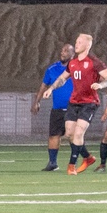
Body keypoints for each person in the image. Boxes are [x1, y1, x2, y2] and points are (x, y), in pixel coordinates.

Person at [42, 33, 107, 175]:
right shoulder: (73, 63)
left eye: (80, 42)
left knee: (79, 133)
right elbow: (62, 78)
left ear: (88, 45)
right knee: (70, 134)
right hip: (74, 102)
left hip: (89, 103)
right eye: (76, 41)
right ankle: (87, 158)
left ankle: (71, 166)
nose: (77, 44)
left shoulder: (94, 62)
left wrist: (101, 85)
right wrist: (50, 89)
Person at [31, 43, 74, 171]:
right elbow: (43, 86)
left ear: (73, 54)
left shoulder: (77, 68)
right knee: (54, 135)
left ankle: (76, 161)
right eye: (62, 50)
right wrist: (37, 101)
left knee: (73, 136)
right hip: (57, 109)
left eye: (66, 51)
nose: (63, 53)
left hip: (74, 108)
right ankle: (52, 163)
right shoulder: (52, 69)